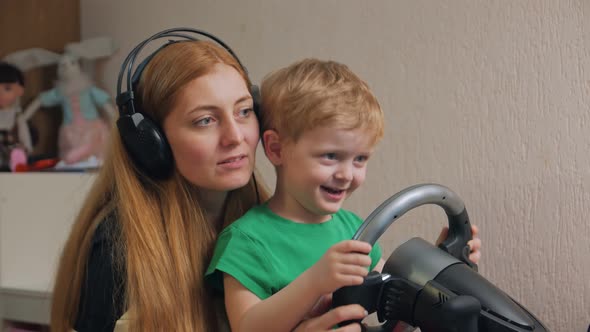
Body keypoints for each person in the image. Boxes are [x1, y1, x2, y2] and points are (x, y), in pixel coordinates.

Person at [50, 29, 377, 332]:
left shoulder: (265, 223)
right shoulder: (113, 249)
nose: (235, 137)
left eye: (244, 111)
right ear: (152, 142)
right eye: (205, 120)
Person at [205, 59, 482, 331]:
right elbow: (247, 325)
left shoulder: (354, 229)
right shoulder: (246, 241)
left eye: (360, 159)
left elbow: (396, 296)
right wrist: (315, 281)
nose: (347, 175)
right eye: (331, 156)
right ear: (276, 149)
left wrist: (441, 264)